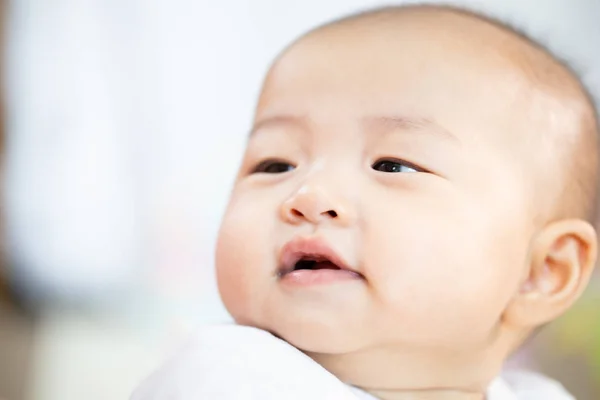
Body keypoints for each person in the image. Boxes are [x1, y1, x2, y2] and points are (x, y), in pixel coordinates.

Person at [132, 4, 599, 399]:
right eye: (275, 165)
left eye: (391, 165)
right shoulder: (228, 378)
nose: (308, 197)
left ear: (543, 271)